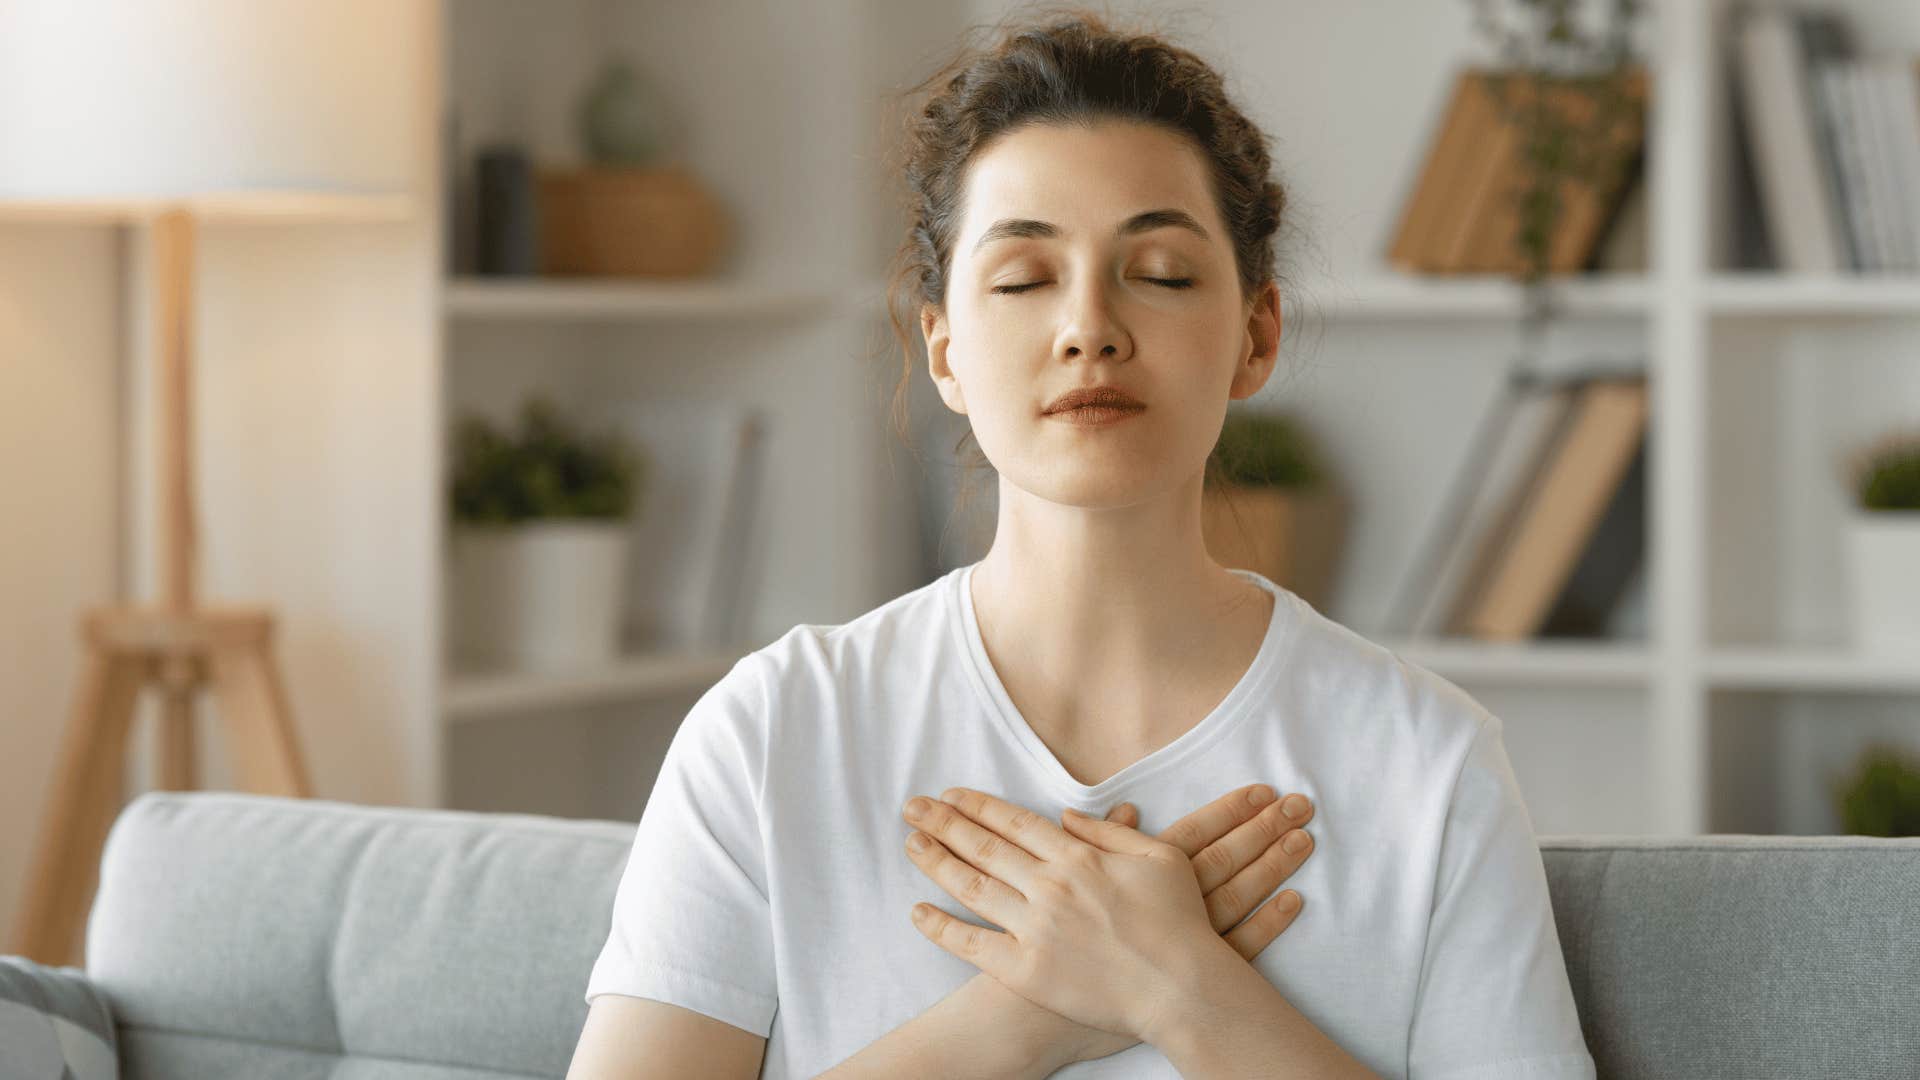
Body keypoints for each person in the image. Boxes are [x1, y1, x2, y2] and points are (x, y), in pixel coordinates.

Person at [567, 8, 1592, 1079]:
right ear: (946, 350)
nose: (1088, 326)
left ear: (1257, 334)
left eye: (1159, 271)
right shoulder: (777, 731)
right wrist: (1025, 1014)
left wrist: (1179, 986)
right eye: (1022, 279)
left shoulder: (1427, 766)